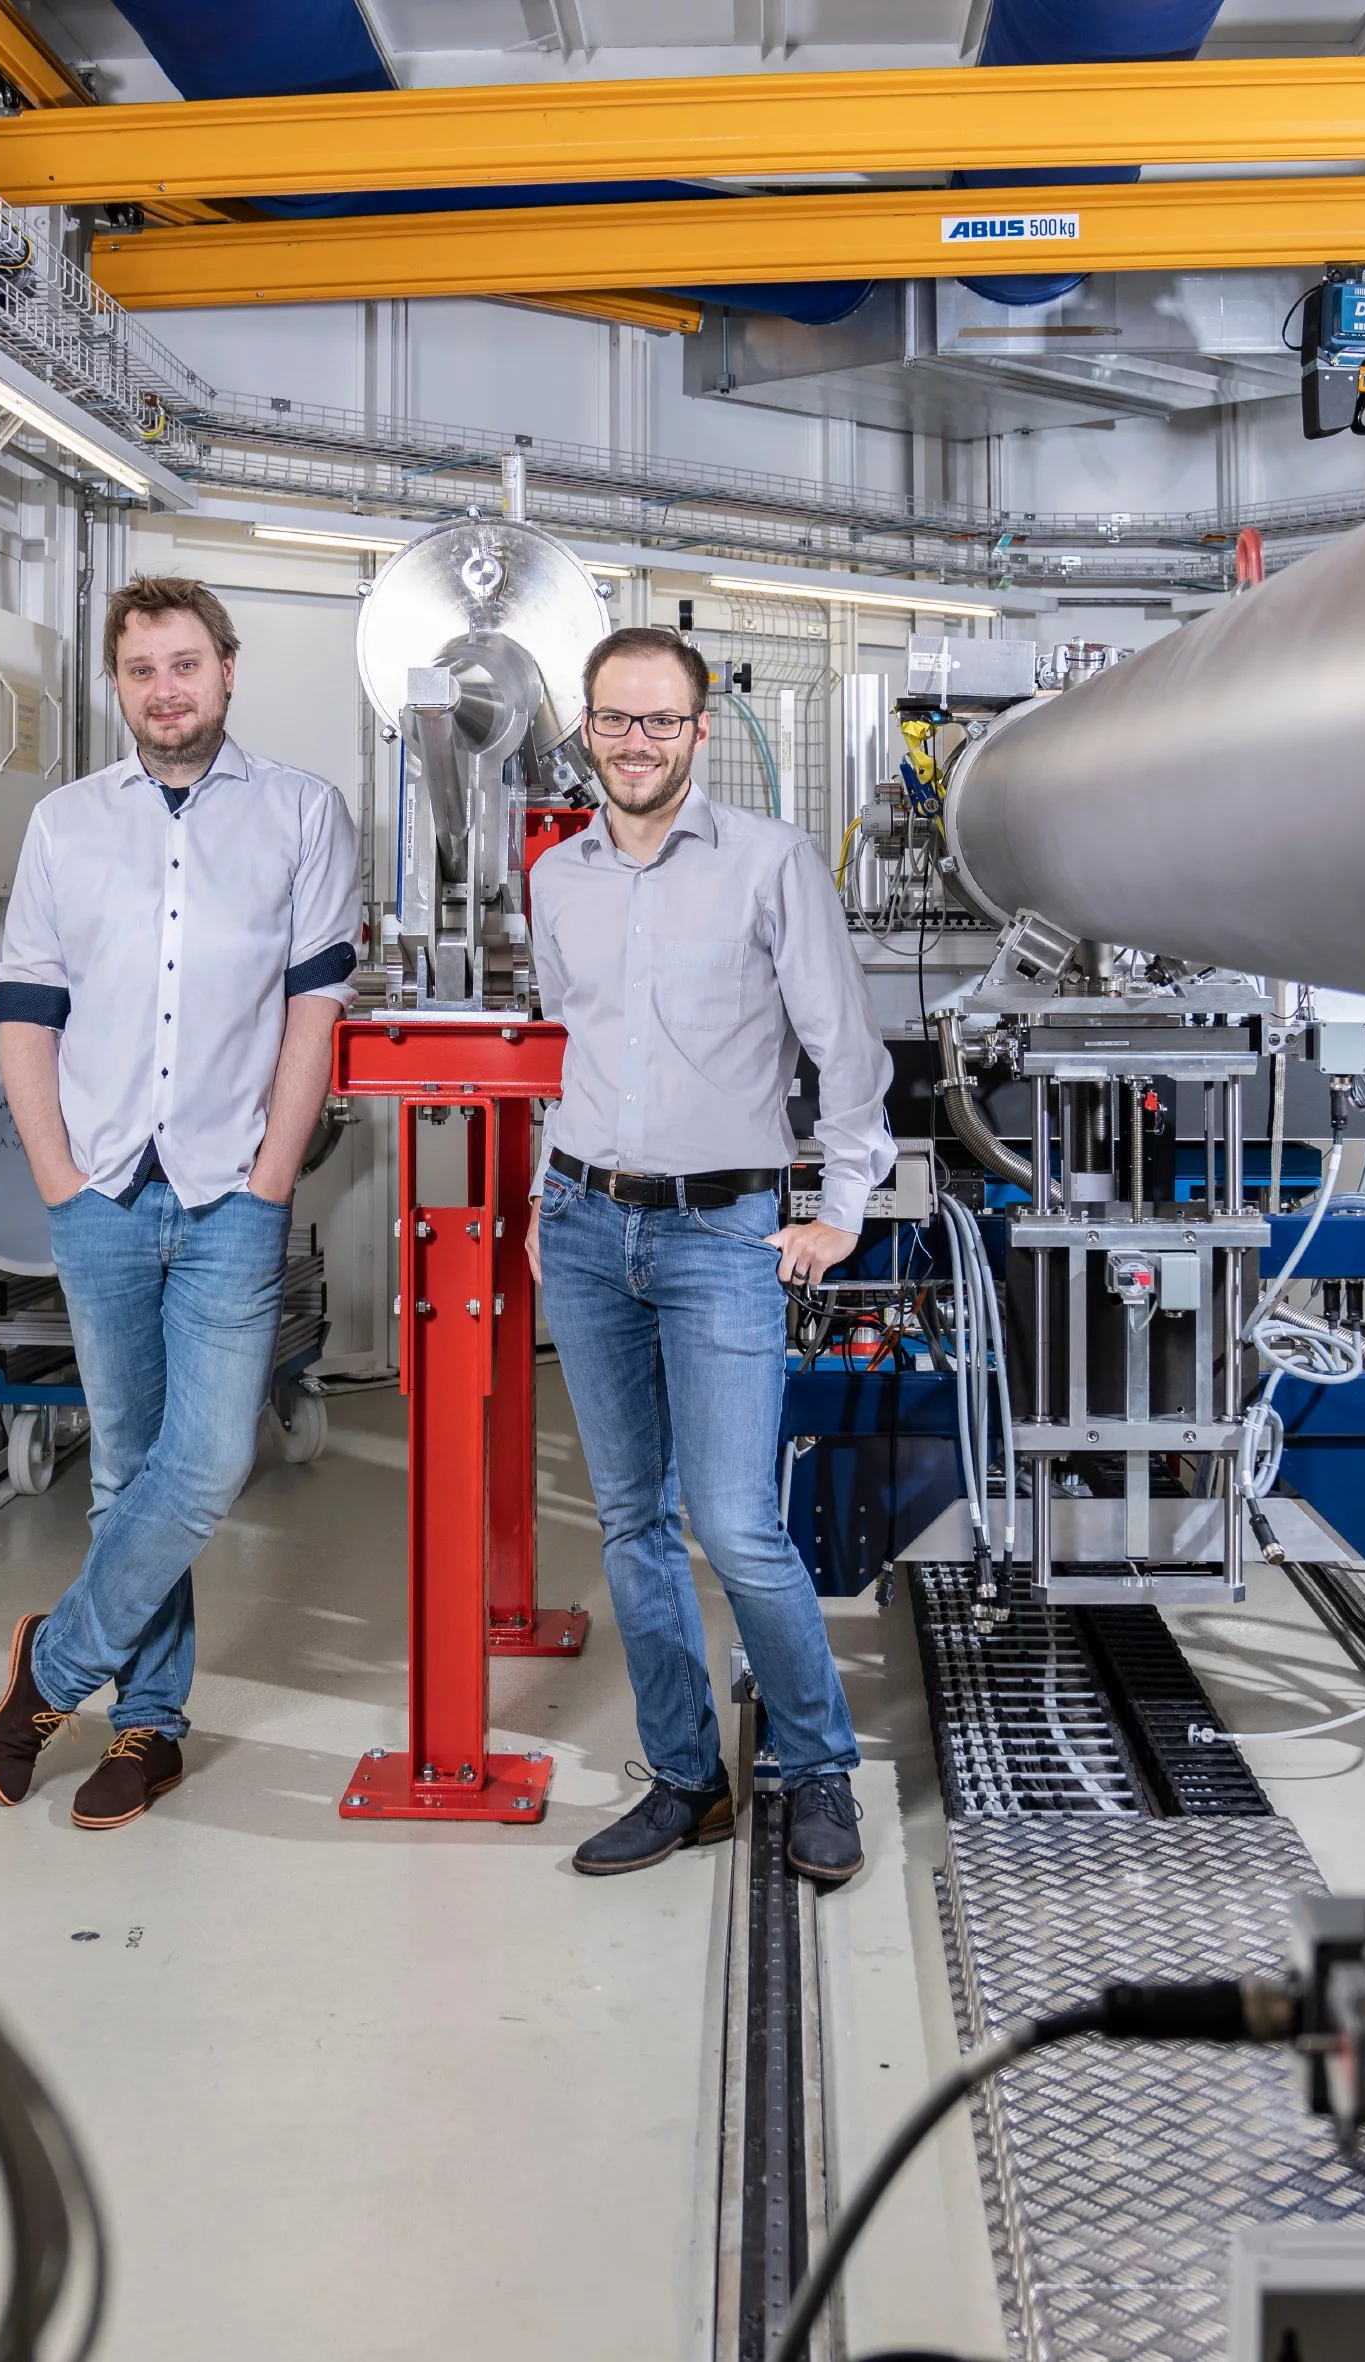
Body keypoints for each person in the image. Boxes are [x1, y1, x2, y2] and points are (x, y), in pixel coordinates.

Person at [0, 576, 359, 1829]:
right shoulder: (65, 825)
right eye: (141, 670)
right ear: (118, 683)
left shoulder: (304, 814)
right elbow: (27, 1014)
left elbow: (314, 1013)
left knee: (204, 1462)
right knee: (127, 1470)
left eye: (185, 664)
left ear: (228, 670)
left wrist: (269, 1176)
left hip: (227, 1192)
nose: (165, 689)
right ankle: (148, 1728)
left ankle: (55, 1667)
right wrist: (56, 1179)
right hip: (97, 1189)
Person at [527, 624, 894, 1885]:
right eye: (614, 721)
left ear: (699, 731)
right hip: (583, 1227)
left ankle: (817, 1763)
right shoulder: (557, 877)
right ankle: (687, 1779)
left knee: (737, 1526)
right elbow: (572, 1045)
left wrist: (841, 1208)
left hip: (720, 1230)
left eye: (660, 722)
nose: (635, 743)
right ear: (587, 730)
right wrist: (543, 1201)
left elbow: (846, 1055)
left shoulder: (770, 863)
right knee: (632, 1523)